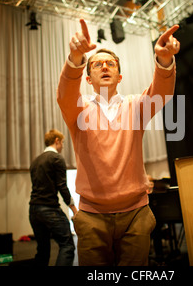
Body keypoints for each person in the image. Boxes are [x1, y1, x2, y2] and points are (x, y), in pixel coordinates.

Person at [57, 19, 180, 266]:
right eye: (97, 64)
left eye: (110, 64)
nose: (104, 67)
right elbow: (65, 94)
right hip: (92, 217)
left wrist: (165, 61)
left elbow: (161, 92)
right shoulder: (78, 110)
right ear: (88, 78)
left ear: (119, 76)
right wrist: (75, 58)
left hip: (136, 215)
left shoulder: (135, 106)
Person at [29, 129, 77, 266]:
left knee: (43, 252)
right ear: (57, 141)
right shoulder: (56, 158)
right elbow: (62, 186)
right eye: (62, 142)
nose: (62, 146)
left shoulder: (35, 161)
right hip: (49, 210)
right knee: (67, 245)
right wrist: (74, 209)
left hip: (33, 211)